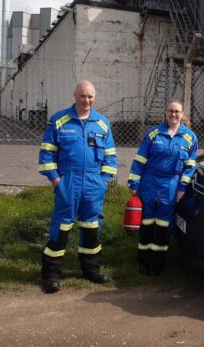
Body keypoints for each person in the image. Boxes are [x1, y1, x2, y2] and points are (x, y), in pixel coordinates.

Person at [37, 80, 118, 294]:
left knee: (92, 227)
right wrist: (56, 180)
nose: (87, 100)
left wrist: (103, 181)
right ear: (75, 96)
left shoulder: (102, 123)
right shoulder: (59, 120)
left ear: (95, 97)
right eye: (83, 96)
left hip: (93, 183)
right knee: (61, 227)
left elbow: (110, 157)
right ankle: (51, 274)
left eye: (90, 96)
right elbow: (46, 153)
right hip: (68, 182)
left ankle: (91, 271)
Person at [127, 100, 198, 276]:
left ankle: (157, 264)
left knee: (163, 225)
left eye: (177, 111)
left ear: (182, 114)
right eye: (170, 111)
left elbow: (190, 167)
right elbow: (140, 159)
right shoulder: (153, 134)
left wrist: (182, 188)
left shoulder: (190, 138)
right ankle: (143, 261)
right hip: (150, 183)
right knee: (147, 222)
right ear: (165, 113)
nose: (173, 114)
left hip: (171, 185)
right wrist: (134, 183)